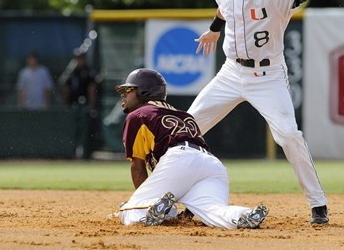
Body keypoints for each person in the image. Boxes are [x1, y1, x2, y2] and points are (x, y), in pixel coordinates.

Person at [187, 0, 329, 224]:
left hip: (267, 75)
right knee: (187, 127)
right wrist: (214, 28)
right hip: (231, 72)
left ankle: (318, 204)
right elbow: (224, 8)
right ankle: (184, 196)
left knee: (289, 135)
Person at [115, 68, 268, 229]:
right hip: (212, 165)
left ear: (143, 92)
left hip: (179, 159)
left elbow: (138, 169)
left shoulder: (138, 115)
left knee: (129, 211)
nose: (123, 94)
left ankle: (161, 210)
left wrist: (143, 199)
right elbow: (191, 171)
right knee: (213, 211)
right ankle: (242, 216)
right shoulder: (184, 115)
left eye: (128, 89)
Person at [59, 48, 99, 157]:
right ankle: (72, 152)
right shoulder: (71, 71)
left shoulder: (89, 71)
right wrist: (65, 105)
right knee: (72, 130)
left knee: (85, 131)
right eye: (77, 58)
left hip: (85, 106)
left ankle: (84, 153)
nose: (79, 60)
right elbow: (64, 85)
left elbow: (92, 89)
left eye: (81, 58)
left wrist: (91, 106)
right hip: (73, 105)